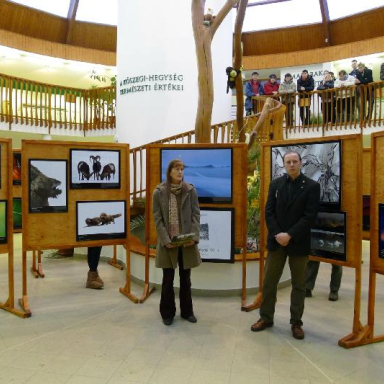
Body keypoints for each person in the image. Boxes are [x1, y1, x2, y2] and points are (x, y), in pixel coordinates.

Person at [251, 151, 320, 340]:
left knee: (299, 284)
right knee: (269, 282)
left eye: (294, 161)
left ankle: (296, 322)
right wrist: (278, 234)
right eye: (288, 161)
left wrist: (290, 235)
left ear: (300, 163)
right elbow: (269, 212)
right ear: (284, 164)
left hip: (298, 243)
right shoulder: (276, 184)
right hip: (277, 242)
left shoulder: (312, 187)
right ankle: (266, 318)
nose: (291, 164)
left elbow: (310, 216)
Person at [153, 159, 201, 326]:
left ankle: (187, 312)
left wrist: (193, 238)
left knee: (185, 279)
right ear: (170, 171)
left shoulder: (190, 190)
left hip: (186, 242)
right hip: (168, 243)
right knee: (167, 279)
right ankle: (167, 313)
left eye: (182, 169)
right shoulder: (159, 192)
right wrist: (166, 241)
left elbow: (196, 215)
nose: (180, 172)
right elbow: (157, 219)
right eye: (177, 169)